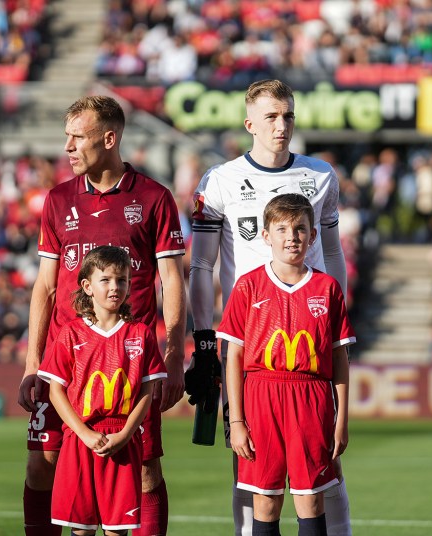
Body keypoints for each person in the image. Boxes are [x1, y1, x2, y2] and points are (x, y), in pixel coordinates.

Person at [188, 79, 351, 536]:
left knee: (322, 467)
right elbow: (201, 263)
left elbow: (334, 254)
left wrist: (337, 321)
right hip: (246, 338)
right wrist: (204, 338)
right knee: (251, 464)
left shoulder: (320, 175)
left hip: (310, 332)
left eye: (289, 116)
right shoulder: (218, 180)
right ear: (249, 124)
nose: (282, 126)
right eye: (272, 117)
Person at [18, 95, 186, 536]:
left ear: (109, 139)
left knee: (146, 471)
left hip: (129, 365)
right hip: (67, 361)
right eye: (66, 137)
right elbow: (46, 286)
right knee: (41, 466)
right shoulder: (56, 200)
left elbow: (172, 280)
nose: (68, 147)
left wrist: (172, 355)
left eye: (78, 137)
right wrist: (33, 363)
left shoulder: (153, 197)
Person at [218, 193, 353, 536]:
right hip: (260, 395)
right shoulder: (248, 286)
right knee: (265, 499)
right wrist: (235, 419)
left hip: (312, 397)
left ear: (313, 236)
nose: (291, 236)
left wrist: (341, 420)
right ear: (266, 236)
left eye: (299, 229)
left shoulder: (327, 288)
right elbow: (233, 355)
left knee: (310, 499)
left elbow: (339, 357)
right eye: (281, 229)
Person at [38, 246, 168, 535]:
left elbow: (147, 392)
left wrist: (125, 434)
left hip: (123, 437)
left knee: (117, 528)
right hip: (80, 436)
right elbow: (56, 391)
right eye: (106, 280)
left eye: (122, 280)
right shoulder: (70, 333)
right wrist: (83, 433)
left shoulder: (141, 333)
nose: (115, 287)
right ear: (87, 286)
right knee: (82, 528)